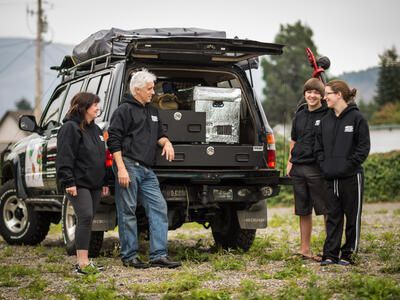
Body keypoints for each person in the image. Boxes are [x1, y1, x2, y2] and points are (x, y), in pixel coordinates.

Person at [107, 69, 181, 269]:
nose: (153, 93)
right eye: (149, 89)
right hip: (128, 165)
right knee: (127, 210)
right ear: (137, 90)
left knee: (159, 207)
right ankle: (129, 256)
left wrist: (167, 143)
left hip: (147, 170)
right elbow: (113, 140)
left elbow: (160, 134)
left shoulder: (152, 111)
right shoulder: (123, 110)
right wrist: (120, 169)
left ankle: (158, 255)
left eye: (153, 88)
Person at [315, 80, 370, 266]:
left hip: (351, 177)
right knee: (333, 217)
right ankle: (330, 255)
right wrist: (324, 166)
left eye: (328, 94)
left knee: (352, 218)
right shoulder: (324, 121)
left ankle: (348, 255)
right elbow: (318, 148)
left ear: (339, 95)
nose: (325, 98)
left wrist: (347, 166)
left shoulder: (357, 118)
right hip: (330, 177)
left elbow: (363, 149)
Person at [56, 92, 109, 275]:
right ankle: (81, 264)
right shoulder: (70, 128)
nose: (98, 108)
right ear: (83, 107)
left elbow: (101, 157)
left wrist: (104, 181)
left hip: (95, 183)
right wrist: (68, 181)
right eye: (94, 105)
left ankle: (86, 261)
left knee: (88, 220)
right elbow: (64, 156)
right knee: (85, 217)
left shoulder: (96, 129)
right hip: (77, 183)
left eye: (97, 104)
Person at [287, 78, 329, 262]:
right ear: (304, 94)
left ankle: (331, 249)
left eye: (316, 92)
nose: (312, 95)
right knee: (303, 211)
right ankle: (305, 249)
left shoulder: (328, 114)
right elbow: (293, 139)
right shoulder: (300, 114)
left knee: (326, 210)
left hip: (317, 169)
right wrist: (290, 163)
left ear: (322, 95)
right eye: (309, 92)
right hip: (298, 167)